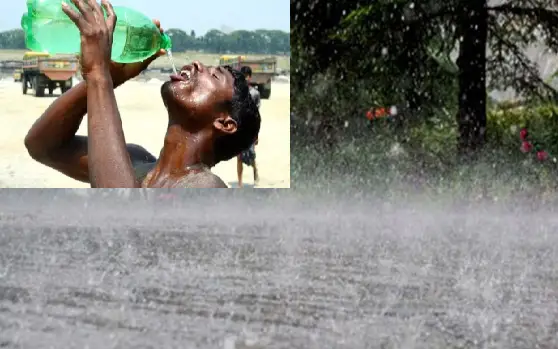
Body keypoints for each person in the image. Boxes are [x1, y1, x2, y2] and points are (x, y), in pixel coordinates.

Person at [24, 0, 260, 188]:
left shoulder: (207, 187)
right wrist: (111, 78)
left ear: (225, 123)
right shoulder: (135, 161)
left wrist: (98, 73)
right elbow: (43, 146)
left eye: (214, 75)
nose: (197, 64)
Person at [237, 66, 260, 187]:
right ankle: (240, 183)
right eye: (243, 76)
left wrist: (256, 134)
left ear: (250, 77)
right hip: (239, 129)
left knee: (250, 155)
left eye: (247, 76)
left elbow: (257, 115)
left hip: (250, 128)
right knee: (239, 156)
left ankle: (255, 170)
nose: (245, 78)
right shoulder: (236, 93)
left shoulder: (255, 93)